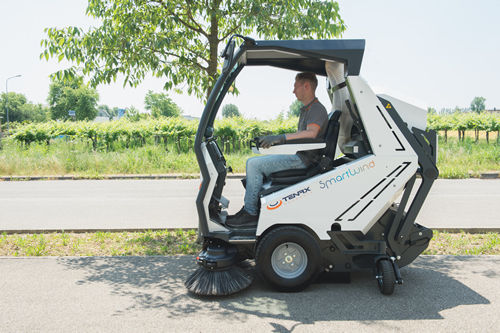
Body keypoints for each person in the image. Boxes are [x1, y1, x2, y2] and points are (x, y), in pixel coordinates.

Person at [226, 72, 329, 228]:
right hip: (300, 156)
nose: (293, 91)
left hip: (305, 160)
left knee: (254, 164)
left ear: (306, 86)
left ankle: (250, 212)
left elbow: (311, 133)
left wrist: (281, 138)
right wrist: (275, 141)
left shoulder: (316, 109)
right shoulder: (308, 109)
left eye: (296, 86)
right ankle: (251, 207)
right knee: (255, 162)